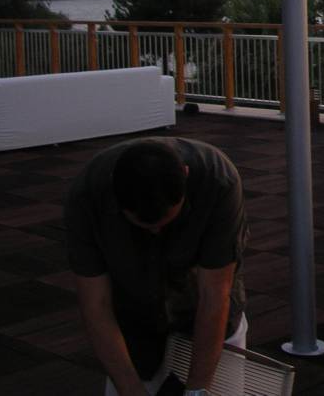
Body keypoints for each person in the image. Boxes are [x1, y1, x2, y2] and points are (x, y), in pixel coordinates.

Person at [65, 136, 248, 396]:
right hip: (132, 321)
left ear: (186, 175)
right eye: (143, 226)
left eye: (166, 222)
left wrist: (196, 391)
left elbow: (214, 295)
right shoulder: (87, 196)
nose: (155, 232)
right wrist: (131, 390)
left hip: (205, 317)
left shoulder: (218, 181)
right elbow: (97, 305)